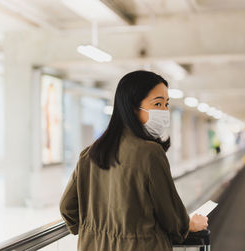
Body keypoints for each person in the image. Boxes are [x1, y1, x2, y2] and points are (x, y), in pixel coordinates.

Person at [59, 71, 208, 251]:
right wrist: (189, 225)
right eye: (158, 104)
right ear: (132, 107)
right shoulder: (150, 153)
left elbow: (67, 208)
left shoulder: (89, 154)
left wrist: (92, 232)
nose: (164, 111)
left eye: (166, 104)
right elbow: (173, 219)